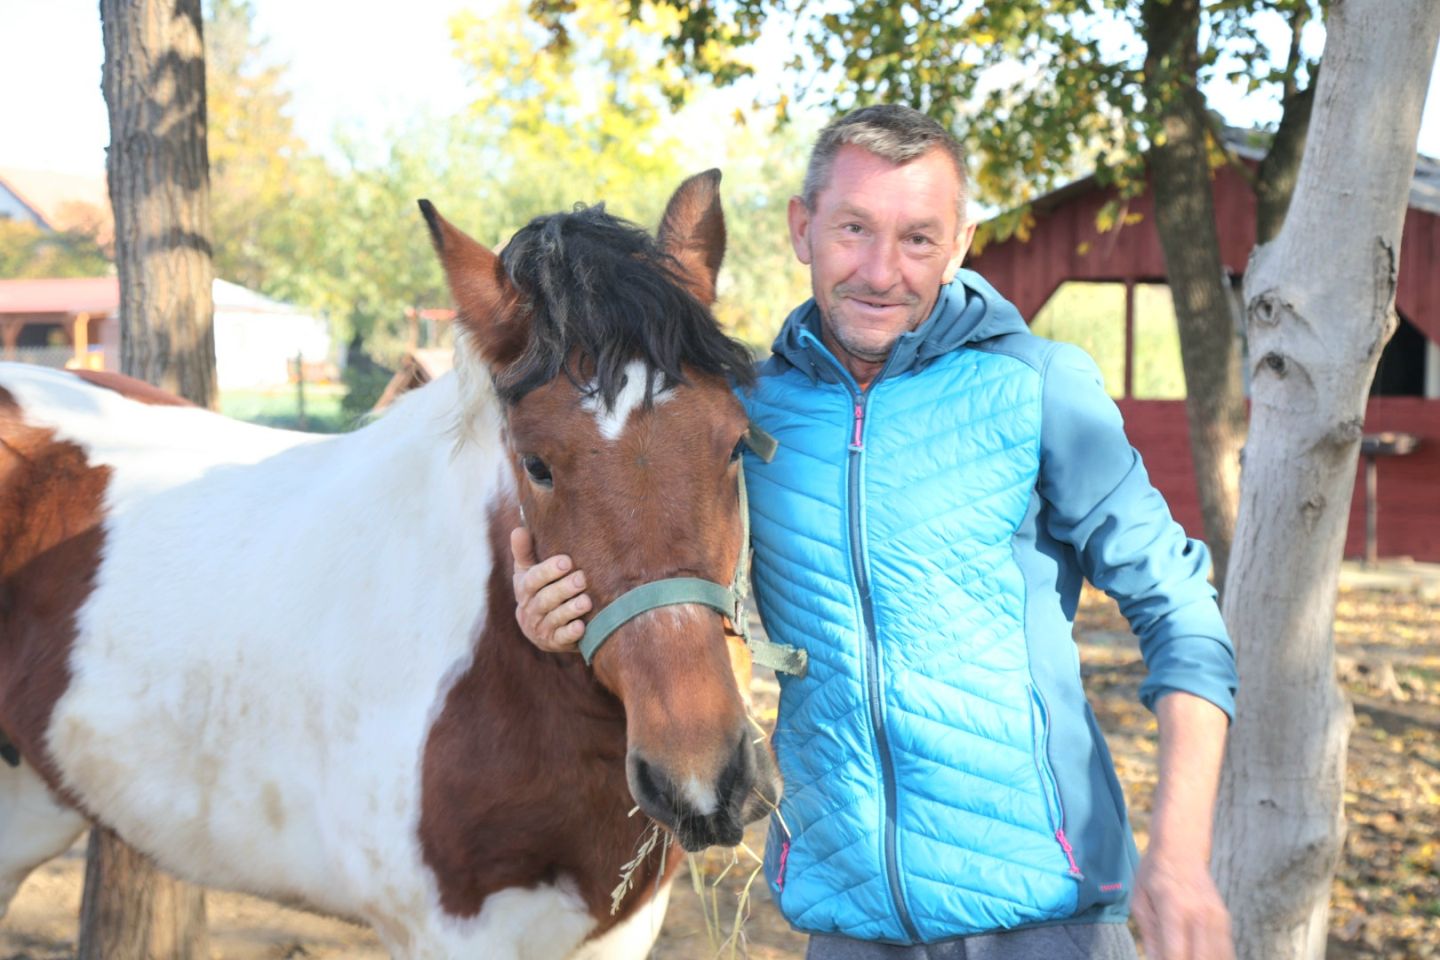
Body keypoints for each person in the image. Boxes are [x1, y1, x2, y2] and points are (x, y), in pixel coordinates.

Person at [511, 105, 1238, 960]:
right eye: (854, 229)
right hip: (846, 922)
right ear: (801, 228)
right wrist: (558, 616)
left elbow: (1183, 611)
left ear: (962, 242)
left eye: (919, 239)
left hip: (1043, 920)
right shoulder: (741, 414)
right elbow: (659, 564)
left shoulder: (1037, 388)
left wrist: (1183, 858)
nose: (883, 272)